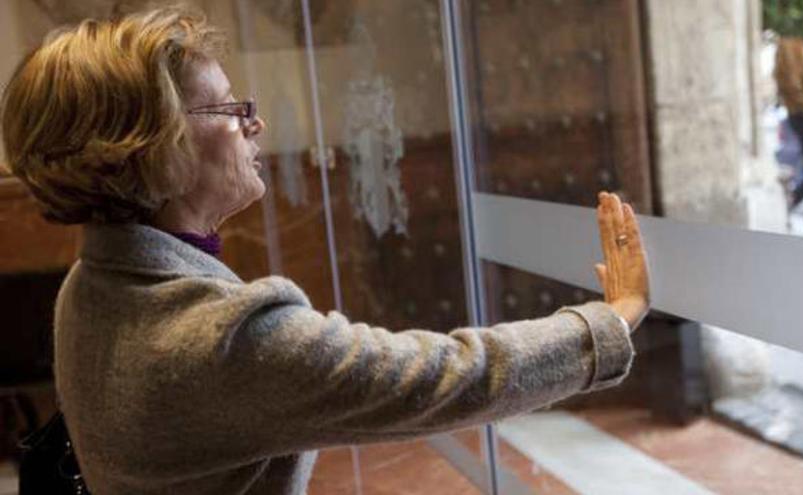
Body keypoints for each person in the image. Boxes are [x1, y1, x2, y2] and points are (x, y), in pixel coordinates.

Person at [0, 7, 650, 494]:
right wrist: (611, 320)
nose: (253, 122)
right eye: (227, 108)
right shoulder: (215, 339)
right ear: (154, 147)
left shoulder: (88, 283)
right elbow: (443, 377)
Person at [774, 36, 803, 210]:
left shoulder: (800, 47)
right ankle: (798, 204)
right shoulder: (793, 46)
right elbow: (800, 82)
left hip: (800, 113)